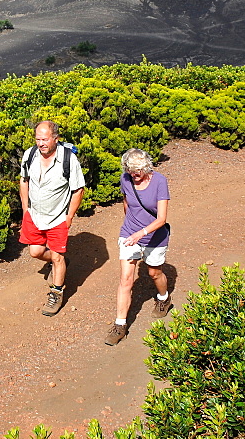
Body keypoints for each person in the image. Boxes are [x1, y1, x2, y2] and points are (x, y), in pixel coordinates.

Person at [105, 148, 172, 346]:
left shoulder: (160, 181)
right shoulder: (125, 179)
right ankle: (120, 325)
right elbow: (127, 204)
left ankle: (164, 298)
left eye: (137, 172)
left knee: (154, 273)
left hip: (154, 236)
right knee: (126, 279)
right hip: (129, 234)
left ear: (146, 168)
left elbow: (162, 219)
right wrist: (130, 229)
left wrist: (140, 233)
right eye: (130, 171)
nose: (134, 175)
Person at [19, 120, 86, 316]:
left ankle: (56, 293)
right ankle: (59, 263)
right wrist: (25, 209)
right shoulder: (29, 155)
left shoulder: (68, 159)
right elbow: (24, 181)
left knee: (57, 256)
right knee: (35, 252)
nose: (41, 143)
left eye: (45, 139)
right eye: (38, 139)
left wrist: (69, 217)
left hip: (58, 217)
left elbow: (78, 189)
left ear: (56, 138)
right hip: (35, 214)